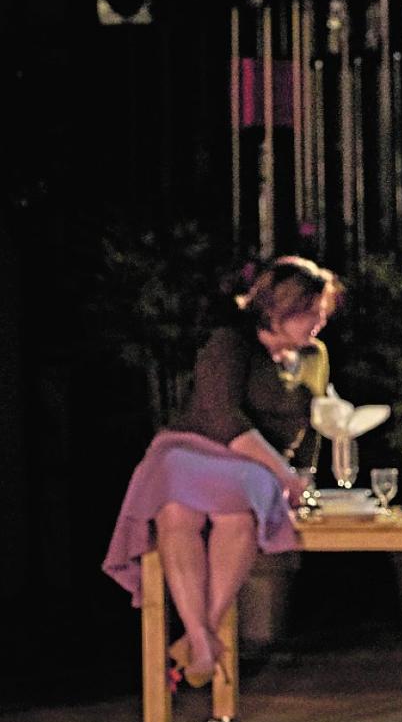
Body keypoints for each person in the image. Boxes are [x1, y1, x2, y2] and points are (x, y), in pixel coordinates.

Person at [104, 256, 342, 686]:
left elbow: (315, 423)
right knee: (178, 510)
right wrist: (282, 473)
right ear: (279, 309)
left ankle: (200, 638)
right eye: (311, 312)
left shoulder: (314, 357)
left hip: (250, 469)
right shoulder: (230, 343)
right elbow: (225, 420)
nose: (319, 321)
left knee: (237, 513)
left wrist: (302, 473)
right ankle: (202, 638)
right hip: (195, 450)